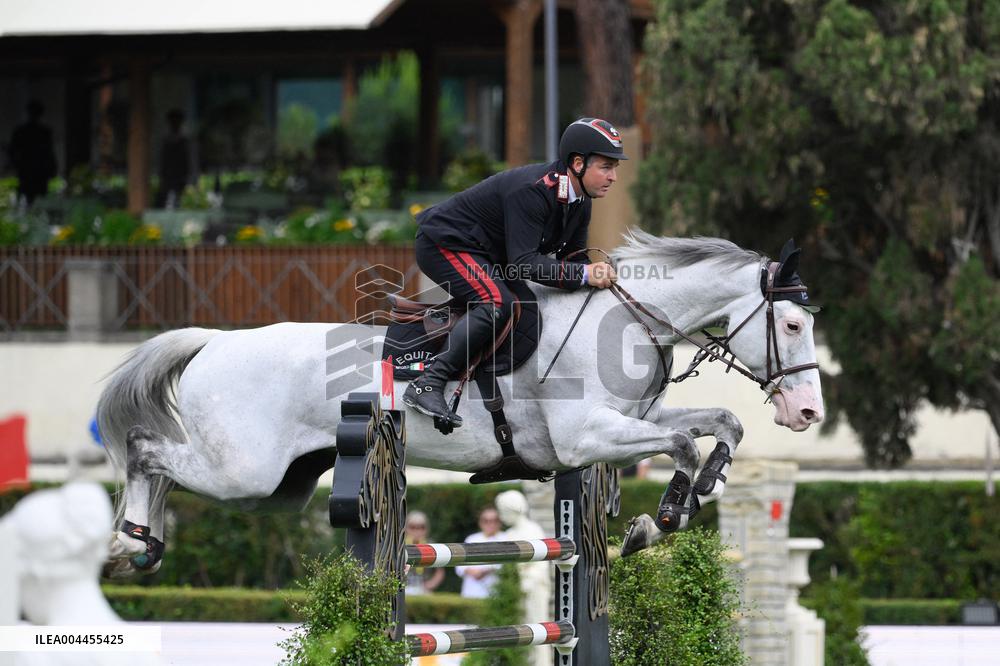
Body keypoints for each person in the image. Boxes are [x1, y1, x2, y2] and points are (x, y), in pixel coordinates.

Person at [403, 118, 627, 425]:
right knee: (498, 303)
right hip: (444, 244)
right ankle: (428, 382)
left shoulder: (581, 201)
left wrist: (598, 275)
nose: (613, 177)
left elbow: (572, 260)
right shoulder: (533, 192)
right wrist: (587, 274)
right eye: (606, 167)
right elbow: (526, 264)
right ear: (577, 163)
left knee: (528, 308)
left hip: (487, 254)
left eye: (615, 168)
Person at [8, 100, 57, 206]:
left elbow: (12, 151)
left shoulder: (22, 131)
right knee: (38, 200)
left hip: (28, 170)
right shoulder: (44, 132)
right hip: (37, 170)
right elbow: (49, 152)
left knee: (27, 199)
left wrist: (15, 164)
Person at [454, 506, 504, 598]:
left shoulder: (505, 539)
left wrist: (486, 571)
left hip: (495, 594)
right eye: (486, 521)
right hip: (470, 592)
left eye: (494, 520)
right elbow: (459, 562)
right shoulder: (471, 539)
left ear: (499, 522)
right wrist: (470, 570)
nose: (490, 524)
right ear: (480, 522)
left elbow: (506, 564)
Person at [403, 510, 445, 595]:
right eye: (412, 527)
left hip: (423, 589)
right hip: (403, 588)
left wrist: (430, 585)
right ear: (406, 528)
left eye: (421, 527)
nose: (417, 530)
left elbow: (440, 571)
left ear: (426, 529)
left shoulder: (431, 545)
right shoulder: (400, 545)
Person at [158, 108, 191, 208]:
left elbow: (187, 161)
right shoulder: (166, 141)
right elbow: (163, 161)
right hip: (167, 177)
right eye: (173, 121)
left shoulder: (184, 141)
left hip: (181, 177)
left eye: (177, 121)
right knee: (166, 201)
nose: (175, 124)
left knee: (180, 201)